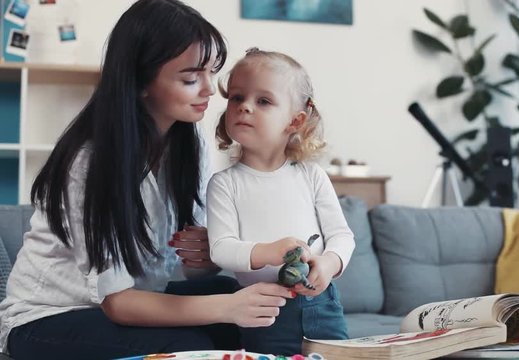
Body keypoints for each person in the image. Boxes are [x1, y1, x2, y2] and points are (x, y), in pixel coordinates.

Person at [0, 1, 294, 358]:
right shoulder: (90, 162)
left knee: (260, 309)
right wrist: (227, 308)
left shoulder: (191, 142)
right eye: (190, 78)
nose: (208, 89)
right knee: (193, 344)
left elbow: (179, 268)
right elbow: (118, 303)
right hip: (48, 320)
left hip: (140, 301)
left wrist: (204, 258)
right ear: (140, 84)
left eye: (211, 72)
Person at [207, 48, 356, 356]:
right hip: (261, 308)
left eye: (262, 101)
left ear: (295, 120)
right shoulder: (224, 184)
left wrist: (328, 264)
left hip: (321, 303)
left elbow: (342, 236)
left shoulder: (312, 176)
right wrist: (270, 251)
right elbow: (221, 249)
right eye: (236, 97)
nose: (244, 107)